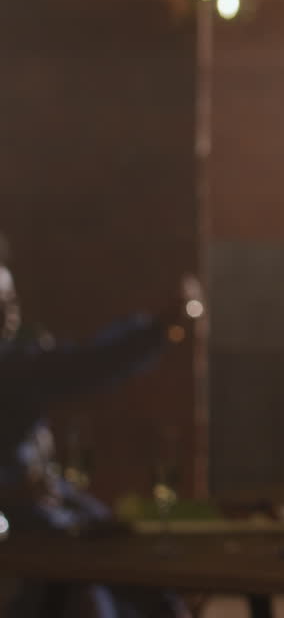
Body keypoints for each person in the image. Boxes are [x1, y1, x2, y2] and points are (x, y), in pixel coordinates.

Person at [0, 234, 193, 618]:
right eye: (0, 304)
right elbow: (89, 364)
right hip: (22, 533)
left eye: (11, 302)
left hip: (43, 517)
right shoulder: (13, 367)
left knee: (140, 581)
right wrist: (162, 327)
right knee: (91, 597)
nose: (11, 314)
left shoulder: (18, 360)